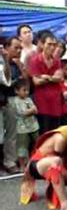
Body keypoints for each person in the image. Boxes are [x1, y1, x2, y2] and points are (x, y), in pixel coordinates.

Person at [29, 32, 64, 134]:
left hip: (56, 103)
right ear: (42, 44)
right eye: (49, 44)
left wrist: (46, 77)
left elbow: (60, 78)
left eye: (54, 44)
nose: (52, 47)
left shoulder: (57, 61)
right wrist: (53, 78)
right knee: (43, 132)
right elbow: (36, 82)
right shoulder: (35, 60)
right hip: (42, 104)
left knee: (54, 132)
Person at [0, 36, 25, 174]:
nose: (19, 50)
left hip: (11, 101)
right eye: (16, 47)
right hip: (2, 100)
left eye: (20, 48)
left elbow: (25, 84)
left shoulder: (17, 65)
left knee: (11, 134)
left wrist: (22, 68)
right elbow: (7, 82)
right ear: (7, 47)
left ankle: (9, 162)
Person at [13, 79, 39, 171]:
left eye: (27, 90)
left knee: (36, 143)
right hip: (22, 128)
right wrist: (31, 111)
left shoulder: (29, 99)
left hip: (33, 126)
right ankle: (21, 165)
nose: (26, 92)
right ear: (16, 91)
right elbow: (21, 113)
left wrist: (31, 111)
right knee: (22, 147)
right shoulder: (15, 101)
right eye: (24, 90)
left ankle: (33, 162)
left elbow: (36, 110)